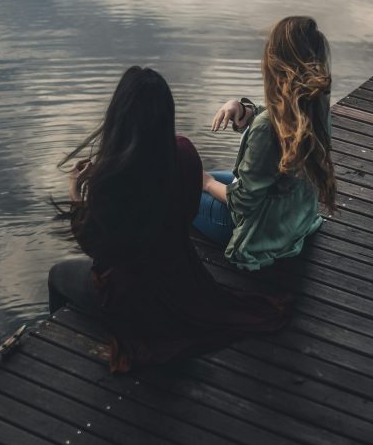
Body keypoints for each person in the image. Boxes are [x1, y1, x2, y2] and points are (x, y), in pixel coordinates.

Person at [48, 66, 288, 373]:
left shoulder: (111, 178)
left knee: (57, 275)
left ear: (119, 116)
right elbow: (186, 212)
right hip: (182, 279)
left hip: (132, 294)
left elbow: (97, 248)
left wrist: (75, 192)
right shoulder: (185, 152)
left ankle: (51, 354)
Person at [193, 16, 336, 271]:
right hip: (293, 218)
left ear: (276, 62)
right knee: (198, 176)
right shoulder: (317, 104)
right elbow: (283, 122)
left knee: (177, 185)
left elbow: (240, 202)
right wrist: (244, 109)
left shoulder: (267, 127)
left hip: (259, 232)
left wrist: (206, 183)